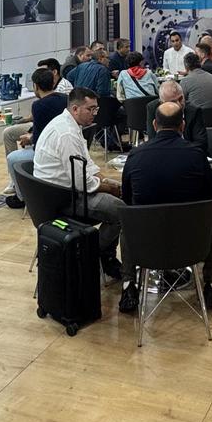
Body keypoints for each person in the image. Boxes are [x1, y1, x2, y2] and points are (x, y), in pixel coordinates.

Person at [118, 102, 212, 314]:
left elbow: (127, 198)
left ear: (154, 125)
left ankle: (128, 285)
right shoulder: (197, 155)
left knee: (128, 221)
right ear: (182, 125)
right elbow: (209, 196)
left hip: (146, 239)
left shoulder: (136, 155)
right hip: (189, 238)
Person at [32, 88, 127, 289]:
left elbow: (87, 165)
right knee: (121, 211)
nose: (95, 114)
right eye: (90, 109)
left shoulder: (71, 125)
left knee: (121, 193)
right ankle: (95, 254)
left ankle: (100, 253)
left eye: (96, 109)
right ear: (75, 109)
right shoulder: (66, 133)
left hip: (62, 191)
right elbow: (81, 182)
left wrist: (107, 182)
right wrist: (108, 188)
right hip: (62, 199)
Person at [4, 66, 68, 207]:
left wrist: (30, 138)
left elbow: (39, 139)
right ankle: (15, 181)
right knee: (9, 133)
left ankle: (21, 196)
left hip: (48, 149)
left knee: (12, 158)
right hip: (60, 143)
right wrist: (31, 133)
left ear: (36, 86)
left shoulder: (38, 105)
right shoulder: (65, 99)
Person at [158, 79, 208, 149]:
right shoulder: (154, 110)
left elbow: (201, 143)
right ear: (162, 103)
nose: (179, 104)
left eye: (180, 99)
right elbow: (153, 140)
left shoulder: (194, 112)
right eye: (173, 102)